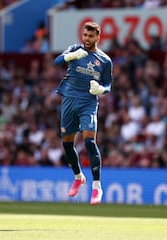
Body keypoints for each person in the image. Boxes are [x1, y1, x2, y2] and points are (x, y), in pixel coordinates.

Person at [54, 21, 113, 204]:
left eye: (90, 36)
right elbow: (57, 62)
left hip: (88, 102)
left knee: (89, 140)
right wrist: (71, 56)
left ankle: (97, 186)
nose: (86, 39)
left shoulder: (105, 60)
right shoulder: (74, 48)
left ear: (97, 37)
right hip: (69, 100)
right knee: (67, 144)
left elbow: (108, 85)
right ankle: (79, 177)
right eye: (84, 35)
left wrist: (100, 90)